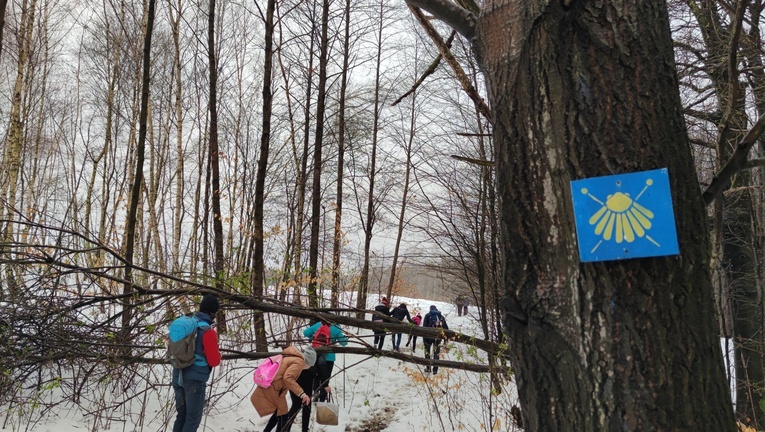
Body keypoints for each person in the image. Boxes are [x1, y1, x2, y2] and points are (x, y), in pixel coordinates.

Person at [172, 294, 222, 432]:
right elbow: (214, 361)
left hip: (178, 374)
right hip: (195, 380)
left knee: (181, 417)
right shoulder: (208, 332)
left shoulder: (189, 323)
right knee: (192, 420)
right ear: (212, 313)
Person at [251, 346, 317, 431]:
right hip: (275, 389)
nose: (309, 368)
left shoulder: (291, 357)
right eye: (310, 365)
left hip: (273, 387)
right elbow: (288, 378)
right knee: (283, 417)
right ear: (309, 362)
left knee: (279, 413)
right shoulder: (299, 362)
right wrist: (302, 393)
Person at [303, 318, 348, 402]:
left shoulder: (318, 325)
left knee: (317, 376)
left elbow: (305, 333)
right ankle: (322, 398)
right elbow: (344, 343)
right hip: (329, 357)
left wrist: (313, 336)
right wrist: (345, 338)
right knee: (325, 378)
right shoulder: (335, 328)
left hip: (316, 355)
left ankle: (315, 394)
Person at [263, 366, 318, 432]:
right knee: (303, 404)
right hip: (297, 376)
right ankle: (285, 428)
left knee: (296, 405)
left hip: (290, 376)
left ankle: (285, 428)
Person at [422, 305, 448, 374]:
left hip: (428, 337)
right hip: (438, 338)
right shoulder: (441, 317)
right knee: (436, 353)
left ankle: (428, 368)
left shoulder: (427, 315)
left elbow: (424, 327)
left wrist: (424, 338)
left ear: (430, 309)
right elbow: (446, 328)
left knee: (427, 353)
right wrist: (444, 339)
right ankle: (435, 370)